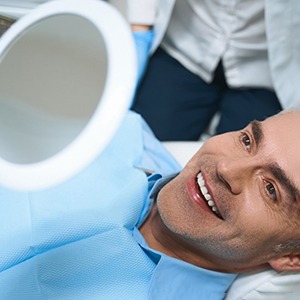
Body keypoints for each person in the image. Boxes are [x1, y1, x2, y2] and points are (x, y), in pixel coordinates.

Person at [2, 109, 300, 299]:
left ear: (292, 257)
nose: (226, 168)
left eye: (270, 190)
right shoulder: (122, 131)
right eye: (247, 141)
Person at [129, 0, 300, 141]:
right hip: (186, 47)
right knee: (143, 148)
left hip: (265, 70)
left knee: (244, 171)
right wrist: (140, 26)